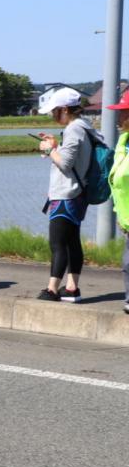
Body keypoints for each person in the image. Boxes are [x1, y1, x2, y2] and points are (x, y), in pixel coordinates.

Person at [35, 87, 100, 302]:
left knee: (58, 243)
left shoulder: (74, 129)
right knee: (72, 242)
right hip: (77, 193)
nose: (53, 115)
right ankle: (72, 288)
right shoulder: (83, 127)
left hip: (66, 195)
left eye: (55, 111)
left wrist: (48, 149)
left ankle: (52, 289)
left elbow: (65, 163)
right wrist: (55, 146)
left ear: (65, 109)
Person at [106, 90, 129, 314]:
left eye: (123, 112)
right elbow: (118, 181)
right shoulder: (124, 141)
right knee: (128, 263)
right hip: (126, 218)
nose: (119, 118)